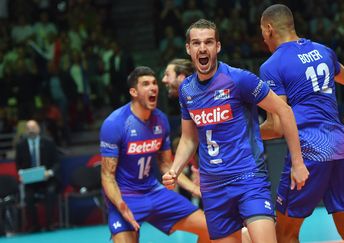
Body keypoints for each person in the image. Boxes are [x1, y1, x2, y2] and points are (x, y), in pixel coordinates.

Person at [162, 19, 308, 243]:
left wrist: (298, 163)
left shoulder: (239, 79)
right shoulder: (187, 90)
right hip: (213, 188)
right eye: (197, 43)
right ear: (188, 49)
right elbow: (189, 139)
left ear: (217, 47)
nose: (203, 48)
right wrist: (175, 168)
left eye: (209, 42)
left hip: (249, 179)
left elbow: (284, 111)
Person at [259, 4, 344, 243]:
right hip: (339, 143)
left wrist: (242, 131)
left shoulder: (272, 65)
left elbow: (276, 127)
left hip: (309, 148)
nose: (263, 39)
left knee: (284, 235)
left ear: (269, 29)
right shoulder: (323, 50)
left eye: (262, 33)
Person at [99, 66, 210, 243]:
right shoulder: (115, 123)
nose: (153, 87)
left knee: (211, 229)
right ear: (133, 91)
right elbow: (107, 176)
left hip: (154, 192)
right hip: (126, 196)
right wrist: (120, 205)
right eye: (145, 84)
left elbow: (166, 166)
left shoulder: (161, 120)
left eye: (154, 83)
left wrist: (196, 190)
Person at [15, 119, 60, 232]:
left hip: (47, 179)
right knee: (28, 196)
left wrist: (49, 172)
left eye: (33, 128)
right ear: (25, 131)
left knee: (50, 192)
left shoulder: (49, 142)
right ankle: (34, 225)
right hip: (30, 181)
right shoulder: (21, 145)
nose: (31, 131)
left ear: (38, 129)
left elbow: (57, 162)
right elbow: (18, 164)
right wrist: (21, 174)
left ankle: (50, 224)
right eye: (28, 128)